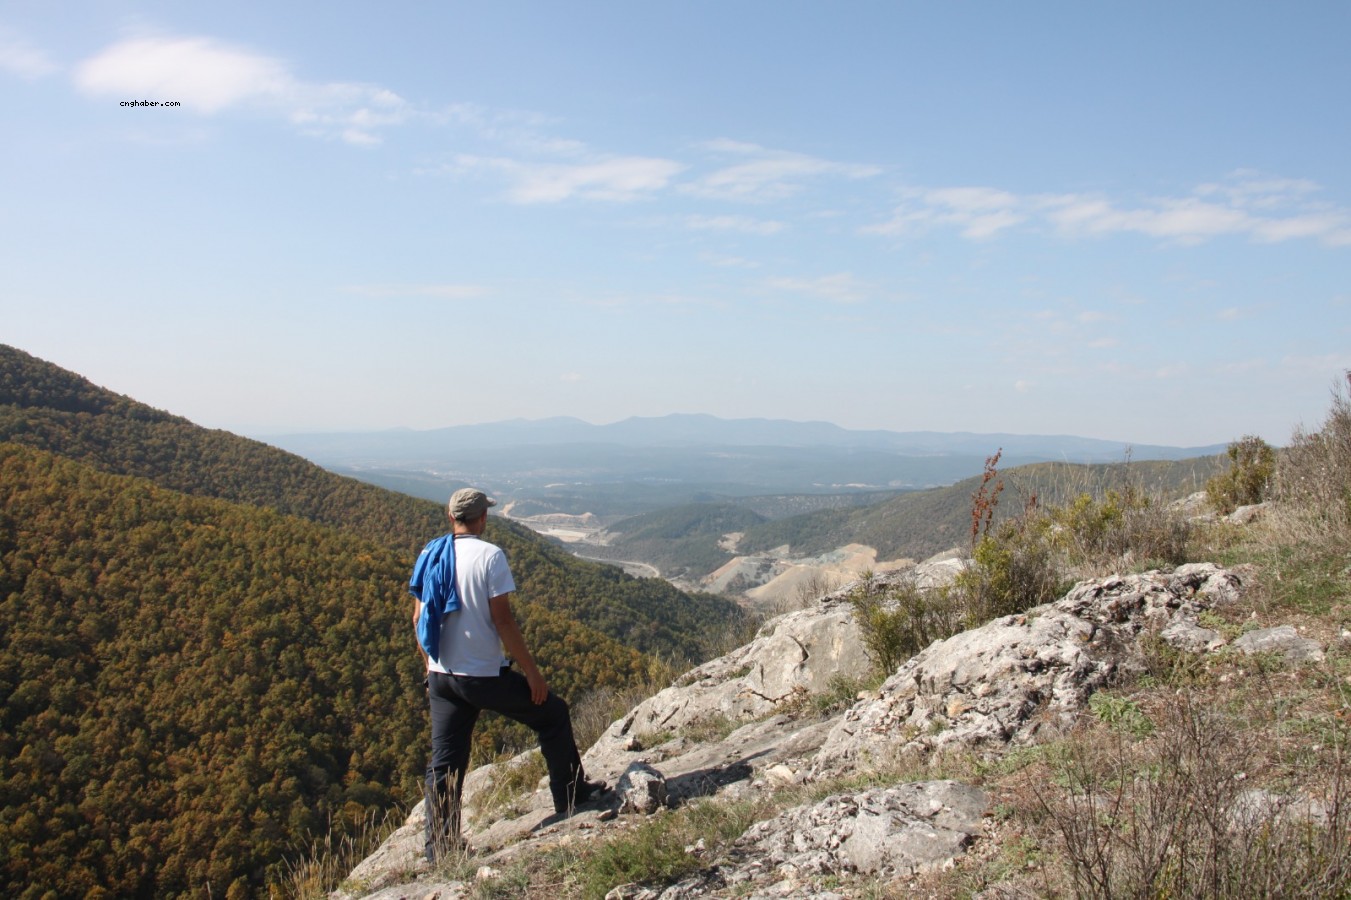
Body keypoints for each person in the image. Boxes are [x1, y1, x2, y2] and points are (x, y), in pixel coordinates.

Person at [411, 487, 605, 861]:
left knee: (445, 763)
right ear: (482, 517)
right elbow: (503, 620)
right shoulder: (490, 556)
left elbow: (418, 618)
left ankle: (441, 849)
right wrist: (532, 674)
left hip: (441, 676)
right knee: (553, 714)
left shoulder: (430, 553)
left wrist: (428, 668)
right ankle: (572, 796)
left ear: (451, 517)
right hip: (482, 675)